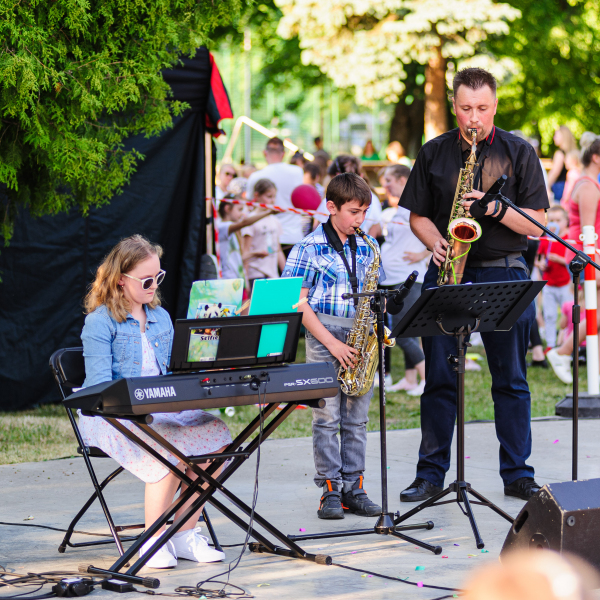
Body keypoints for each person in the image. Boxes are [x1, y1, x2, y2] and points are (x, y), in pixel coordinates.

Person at [398, 67, 549, 503]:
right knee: (439, 379)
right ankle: (430, 475)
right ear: (454, 106)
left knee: (511, 378)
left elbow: (537, 224)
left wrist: (495, 209)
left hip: (503, 270)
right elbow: (417, 216)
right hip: (449, 270)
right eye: (466, 108)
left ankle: (517, 474)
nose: (474, 118)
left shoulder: (519, 152)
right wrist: (435, 242)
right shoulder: (434, 151)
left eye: (482, 108)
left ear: (495, 105)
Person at [78, 235, 232, 568]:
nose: (154, 285)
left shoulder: (160, 317)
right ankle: (153, 538)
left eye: (158, 277)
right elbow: (100, 387)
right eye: (146, 280)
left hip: (162, 409)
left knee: (218, 436)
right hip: (111, 415)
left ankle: (183, 533)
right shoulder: (100, 322)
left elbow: (176, 372)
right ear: (121, 279)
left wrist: (206, 363)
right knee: (170, 445)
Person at [282, 173, 383, 520]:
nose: (360, 219)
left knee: (357, 420)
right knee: (327, 417)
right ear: (331, 207)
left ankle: (355, 487)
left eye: (364, 212)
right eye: (354, 212)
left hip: (360, 338)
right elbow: (296, 302)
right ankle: (330, 489)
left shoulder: (368, 245)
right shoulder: (307, 248)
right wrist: (332, 343)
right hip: (325, 337)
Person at [548, 136, 600, 383]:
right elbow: (589, 234)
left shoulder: (587, 183)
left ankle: (578, 360)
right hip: (589, 256)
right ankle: (562, 351)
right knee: (595, 314)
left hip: (588, 255)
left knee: (596, 315)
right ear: (596, 158)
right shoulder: (588, 186)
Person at [380, 164, 430, 395]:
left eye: (389, 180)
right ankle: (410, 379)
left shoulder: (418, 202)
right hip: (394, 277)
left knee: (402, 332)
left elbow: (441, 231)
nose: (385, 185)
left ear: (402, 180)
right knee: (406, 330)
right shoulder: (399, 207)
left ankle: (427, 378)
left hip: (407, 278)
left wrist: (423, 253)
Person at [246, 137, 304, 255]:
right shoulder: (297, 172)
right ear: (283, 154)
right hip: (292, 236)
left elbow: (249, 204)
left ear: (264, 153)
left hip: (266, 239)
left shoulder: (256, 176)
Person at [313, 155, 383, 239]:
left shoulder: (331, 200)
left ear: (337, 177)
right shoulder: (373, 198)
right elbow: (376, 230)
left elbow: (317, 231)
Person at [534, 206, 573, 350]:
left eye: (558, 220)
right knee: (549, 315)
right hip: (549, 284)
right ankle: (550, 344)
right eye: (551, 220)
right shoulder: (546, 239)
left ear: (566, 221)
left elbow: (572, 261)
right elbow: (538, 258)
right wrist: (540, 264)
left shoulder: (570, 239)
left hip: (566, 284)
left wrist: (559, 259)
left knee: (568, 316)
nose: (555, 223)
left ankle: (567, 343)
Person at [242, 178, 286, 291]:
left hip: (273, 276)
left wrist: (287, 274)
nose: (272, 200)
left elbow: (278, 250)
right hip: (255, 275)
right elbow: (245, 251)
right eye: (269, 196)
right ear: (257, 195)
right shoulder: (250, 220)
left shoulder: (275, 221)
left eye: (274, 197)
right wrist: (245, 282)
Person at [217, 196, 273, 284]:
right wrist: (269, 212)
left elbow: (239, 258)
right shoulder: (222, 227)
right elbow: (245, 223)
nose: (242, 214)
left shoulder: (232, 232)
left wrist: (255, 254)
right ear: (227, 208)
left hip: (237, 280)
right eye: (239, 209)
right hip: (227, 280)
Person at [547, 126, 578, 202]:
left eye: (556, 136)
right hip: (569, 187)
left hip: (559, 188)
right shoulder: (572, 152)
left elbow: (555, 172)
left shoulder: (559, 153)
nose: (554, 138)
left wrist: (545, 185)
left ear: (563, 136)